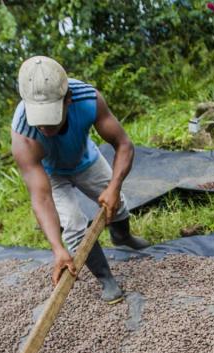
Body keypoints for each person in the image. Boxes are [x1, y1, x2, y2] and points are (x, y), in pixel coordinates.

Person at [11, 56, 149, 304]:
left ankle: (123, 238)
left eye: (51, 118)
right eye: (40, 121)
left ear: (67, 99)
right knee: (73, 226)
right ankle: (106, 278)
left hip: (86, 159)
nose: (45, 127)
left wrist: (114, 187)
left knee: (117, 203)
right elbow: (41, 197)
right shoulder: (23, 133)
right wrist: (57, 248)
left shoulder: (88, 99)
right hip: (51, 174)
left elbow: (123, 144)